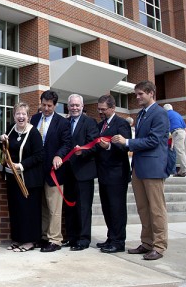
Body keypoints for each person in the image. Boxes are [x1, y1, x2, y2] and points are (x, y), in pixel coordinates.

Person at [112, 80, 170, 261]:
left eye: (140, 94)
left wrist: (127, 142)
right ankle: (146, 242)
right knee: (143, 208)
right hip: (139, 167)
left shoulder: (159, 114)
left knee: (156, 209)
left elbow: (154, 140)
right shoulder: (142, 114)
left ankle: (159, 246)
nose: (137, 98)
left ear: (151, 93)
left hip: (153, 168)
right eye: (136, 94)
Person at [30, 90, 72, 253]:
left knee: (54, 208)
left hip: (54, 171)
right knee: (42, 206)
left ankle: (55, 240)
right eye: (44, 105)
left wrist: (58, 156)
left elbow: (67, 144)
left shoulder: (62, 123)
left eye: (49, 105)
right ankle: (45, 237)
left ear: (55, 105)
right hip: (37, 171)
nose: (46, 108)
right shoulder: (33, 119)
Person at [0, 102, 43, 252]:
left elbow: (39, 156)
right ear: (14, 115)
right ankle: (18, 239)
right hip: (13, 180)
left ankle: (29, 241)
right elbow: (6, 149)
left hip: (29, 180)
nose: (21, 116)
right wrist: (1, 141)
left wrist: (21, 165)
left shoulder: (34, 132)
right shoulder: (10, 130)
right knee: (16, 210)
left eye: (24, 114)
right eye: (18, 113)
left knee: (28, 211)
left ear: (28, 116)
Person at [95, 94, 131, 253]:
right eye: (99, 109)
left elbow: (125, 147)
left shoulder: (121, 124)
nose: (100, 112)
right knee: (107, 208)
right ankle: (111, 237)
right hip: (103, 174)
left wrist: (108, 147)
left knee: (117, 209)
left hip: (117, 175)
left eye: (103, 109)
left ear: (112, 108)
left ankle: (118, 241)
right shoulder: (100, 125)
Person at [63, 94, 99, 251]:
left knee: (83, 208)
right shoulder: (65, 123)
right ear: (68, 106)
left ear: (82, 106)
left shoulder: (90, 122)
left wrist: (81, 152)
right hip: (67, 172)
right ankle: (71, 237)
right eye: (72, 105)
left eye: (77, 105)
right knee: (69, 207)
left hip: (83, 172)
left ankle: (83, 239)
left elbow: (94, 145)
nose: (74, 108)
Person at [163, 104, 186, 176]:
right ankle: (182, 170)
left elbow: (164, 126)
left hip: (176, 132)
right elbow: (184, 126)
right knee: (183, 152)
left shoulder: (166, 114)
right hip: (183, 132)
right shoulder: (177, 114)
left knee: (180, 151)